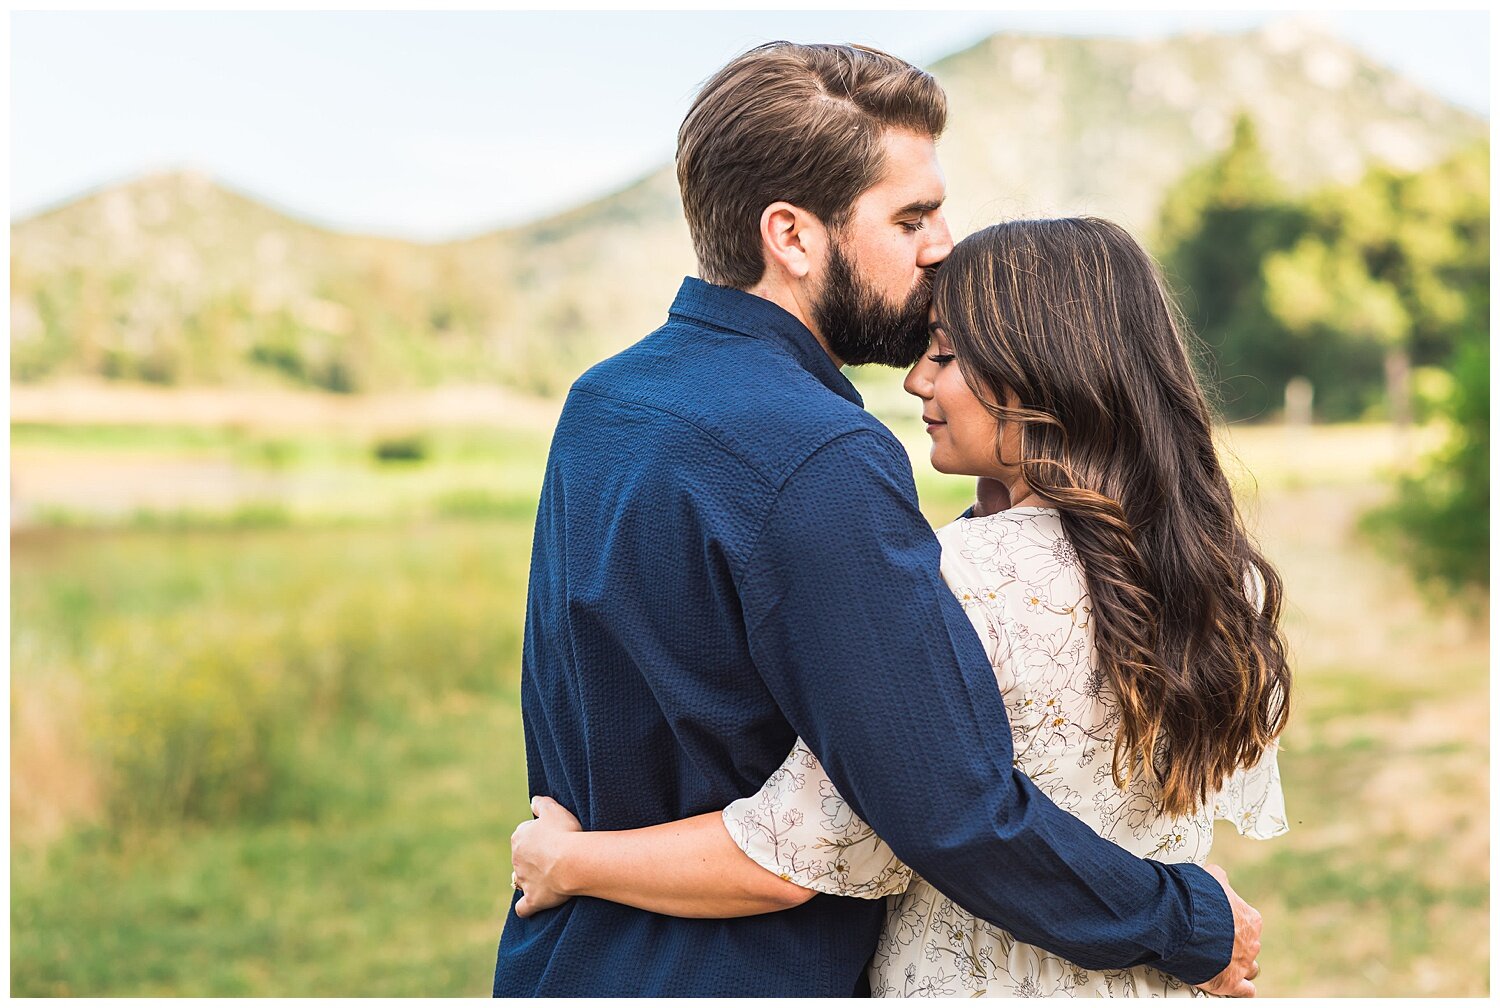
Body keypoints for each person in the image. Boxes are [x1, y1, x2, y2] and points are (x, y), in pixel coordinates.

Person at [491, 42, 1264, 997]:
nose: (943, 245)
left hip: (569, 961)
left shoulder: (601, 401)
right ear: (794, 236)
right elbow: (950, 811)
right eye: (912, 217)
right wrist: (1189, 922)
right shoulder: (822, 453)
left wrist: (566, 860)